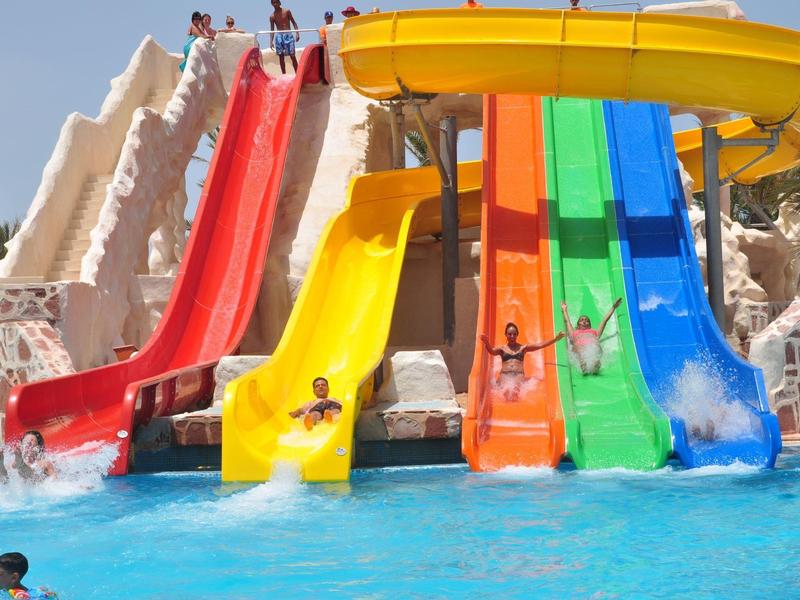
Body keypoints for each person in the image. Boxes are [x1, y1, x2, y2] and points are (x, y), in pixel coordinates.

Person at [479, 323, 565, 400]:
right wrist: (486, 343)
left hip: (518, 374)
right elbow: (492, 351)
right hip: (504, 374)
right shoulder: (502, 349)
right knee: (506, 390)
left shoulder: (523, 348)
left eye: (514, 334)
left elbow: (539, 345)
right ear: (505, 334)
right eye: (509, 334)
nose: (512, 336)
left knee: (515, 390)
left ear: (517, 335)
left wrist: (555, 339)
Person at [561, 298, 622, 374]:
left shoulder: (595, 332)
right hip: (579, 348)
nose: (584, 321)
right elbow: (567, 322)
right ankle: (583, 365)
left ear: (589, 325)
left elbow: (604, 321)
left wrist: (613, 307)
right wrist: (564, 310)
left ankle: (595, 364)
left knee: (596, 346)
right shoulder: (574, 332)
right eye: (582, 320)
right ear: (578, 324)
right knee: (579, 347)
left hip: (593, 346)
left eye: (586, 320)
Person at [270, 0, 301, 74]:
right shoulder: (272, 16)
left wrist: (297, 33)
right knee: (281, 57)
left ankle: (297, 74)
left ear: (279, 3)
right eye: (273, 2)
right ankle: (284, 75)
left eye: (276, 2)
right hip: (279, 36)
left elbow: (294, 23)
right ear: (271, 4)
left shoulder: (287, 11)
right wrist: (271, 41)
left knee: (292, 55)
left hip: (288, 35)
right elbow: (272, 30)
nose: (275, 4)